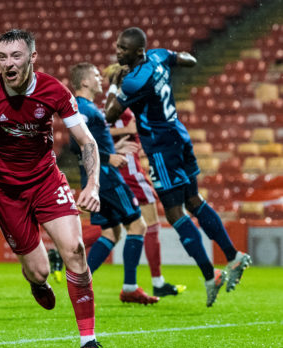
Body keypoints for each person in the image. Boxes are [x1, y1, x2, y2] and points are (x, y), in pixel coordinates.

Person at [0, 29, 112, 348]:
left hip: (45, 180)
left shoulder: (54, 91)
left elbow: (87, 142)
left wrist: (93, 185)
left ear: (32, 58)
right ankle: (36, 283)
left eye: (16, 57)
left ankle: (89, 342)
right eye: (2, 57)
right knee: (39, 271)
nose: (8, 64)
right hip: (4, 191)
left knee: (75, 249)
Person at [104, 27, 251, 307]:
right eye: (118, 46)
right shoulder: (158, 56)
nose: (117, 51)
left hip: (161, 148)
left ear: (137, 51)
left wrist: (116, 85)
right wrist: (170, 63)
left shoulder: (134, 81)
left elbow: (110, 115)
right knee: (194, 200)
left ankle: (211, 275)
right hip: (179, 135)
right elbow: (189, 60)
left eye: (123, 48)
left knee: (174, 213)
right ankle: (232, 256)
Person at [69, 62, 158, 305]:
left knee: (111, 233)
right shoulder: (83, 108)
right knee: (138, 225)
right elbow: (74, 142)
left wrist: (112, 149)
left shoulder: (84, 107)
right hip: (107, 177)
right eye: (96, 75)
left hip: (98, 175)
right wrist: (108, 157)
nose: (100, 78)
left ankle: (79, 282)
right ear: (85, 82)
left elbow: (91, 143)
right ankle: (130, 287)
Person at [104, 63, 186, 297]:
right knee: (149, 224)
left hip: (124, 168)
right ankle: (155, 281)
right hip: (129, 169)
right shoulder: (120, 102)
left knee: (113, 229)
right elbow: (100, 126)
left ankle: (62, 255)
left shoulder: (115, 101)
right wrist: (127, 131)